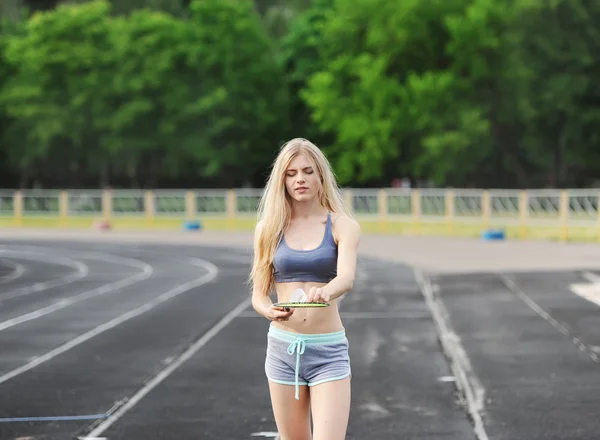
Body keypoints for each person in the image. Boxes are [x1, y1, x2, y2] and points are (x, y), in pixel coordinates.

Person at [249, 138, 361, 440]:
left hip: (328, 351)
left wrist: (327, 291)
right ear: (282, 180)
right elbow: (259, 294)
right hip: (283, 350)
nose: (300, 179)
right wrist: (268, 310)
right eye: (291, 173)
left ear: (320, 176)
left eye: (308, 171)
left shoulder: (342, 226)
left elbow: (346, 278)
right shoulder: (268, 229)